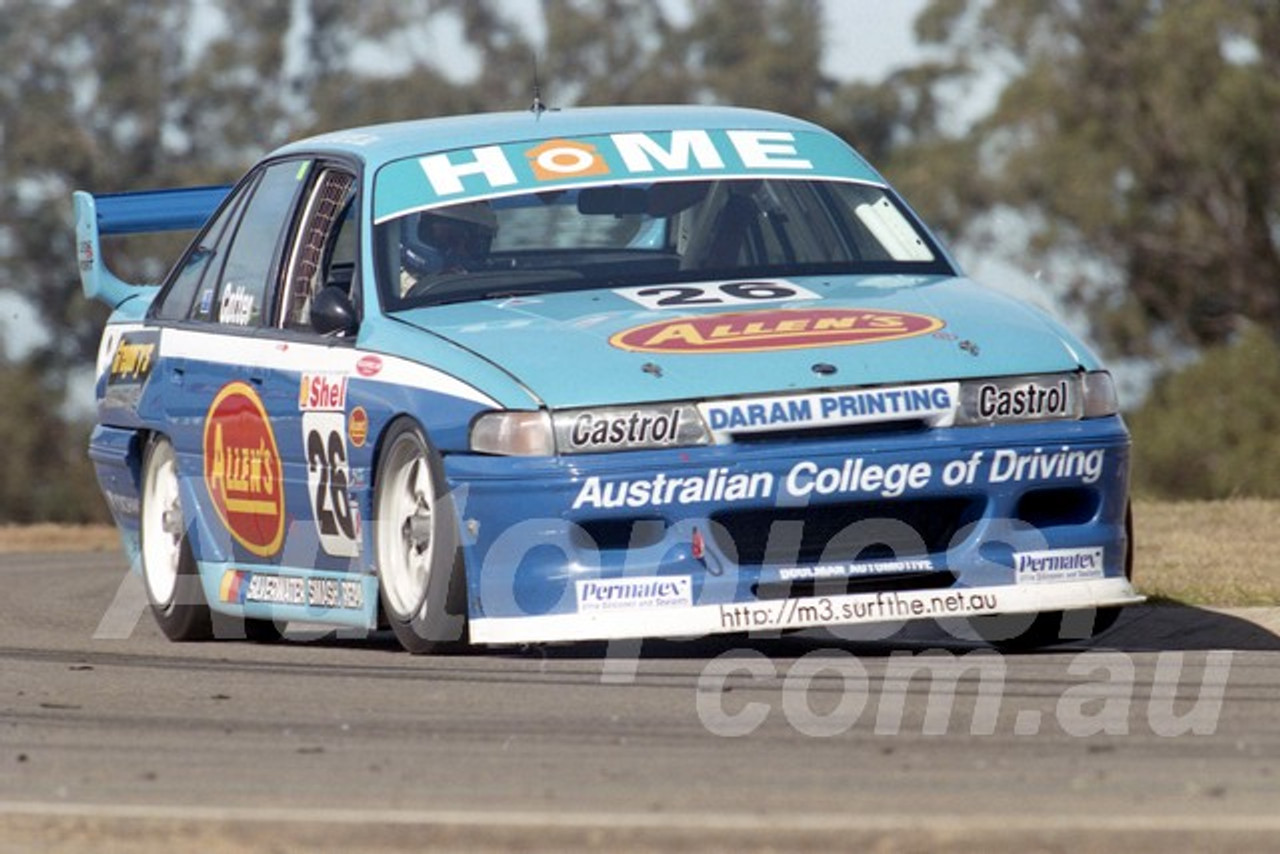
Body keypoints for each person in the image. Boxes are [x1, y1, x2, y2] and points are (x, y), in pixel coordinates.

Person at [400, 201, 498, 294]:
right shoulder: (393, 295)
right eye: (450, 237)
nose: (461, 250)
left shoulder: (489, 291)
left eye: (473, 242)